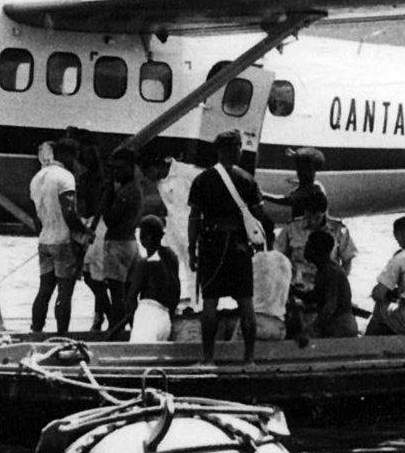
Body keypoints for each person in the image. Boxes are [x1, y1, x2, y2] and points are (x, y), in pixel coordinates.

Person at [188, 129, 267, 365]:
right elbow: (259, 218)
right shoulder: (247, 180)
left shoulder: (202, 180)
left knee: (209, 303)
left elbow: (194, 218)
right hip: (239, 248)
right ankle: (249, 360)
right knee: (246, 304)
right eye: (240, 147)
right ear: (234, 150)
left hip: (211, 246)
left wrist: (192, 249)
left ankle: (208, 359)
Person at [28, 137, 86, 334]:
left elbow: (36, 217)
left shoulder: (37, 177)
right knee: (65, 293)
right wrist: (84, 231)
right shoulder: (65, 177)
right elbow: (69, 211)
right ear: (67, 155)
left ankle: (36, 330)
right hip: (62, 240)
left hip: (44, 239)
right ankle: (62, 334)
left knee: (44, 290)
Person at [276, 191, 357, 297]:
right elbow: (278, 256)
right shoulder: (291, 228)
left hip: (327, 289)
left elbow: (347, 260)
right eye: (308, 217)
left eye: (317, 217)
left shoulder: (338, 230)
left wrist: (338, 285)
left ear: (324, 213)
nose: (312, 221)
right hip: (296, 286)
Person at [98, 147, 143, 329]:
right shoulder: (135, 188)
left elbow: (109, 219)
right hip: (131, 242)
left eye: (119, 168)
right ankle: (133, 329)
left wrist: (108, 195)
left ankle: (116, 329)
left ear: (130, 168)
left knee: (117, 293)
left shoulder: (125, 192)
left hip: (118, 243)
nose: (115, 173)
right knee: (129, 293)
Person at [119, 215, 181, 342]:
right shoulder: (172, 256)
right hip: (166, 319)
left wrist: (134, 322)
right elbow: (176, 291)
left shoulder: (144, 264)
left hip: (148, 316)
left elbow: (131, 298)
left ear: (145, 238)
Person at [301, 230, 359, 339]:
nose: (305, 249)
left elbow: (329, 306)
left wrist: (312, 329)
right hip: (335, 325)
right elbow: (314, 297)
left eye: (308, 246)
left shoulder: (331, 272)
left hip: (340, 328)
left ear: (317, 251)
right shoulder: (324, 269)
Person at [251, 219, 292, 341]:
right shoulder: (284, 260)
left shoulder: (254, 261)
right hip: (279, 326)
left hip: (258, 324)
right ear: (273, 236)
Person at [262, 146, 327, 219]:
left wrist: (264, 195)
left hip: (306, 227)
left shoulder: (306, 193)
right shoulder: (317, 185)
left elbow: (286, 200)